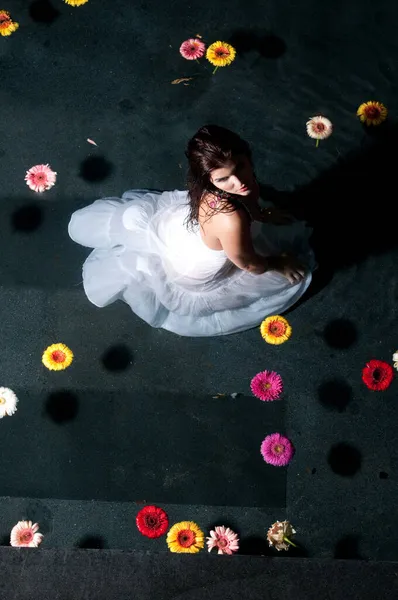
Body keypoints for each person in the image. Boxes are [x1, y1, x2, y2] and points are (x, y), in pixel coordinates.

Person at [68, 125, 316, 336]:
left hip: (193, 235)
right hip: (196, 268)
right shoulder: (231, 220)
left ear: (246, 154)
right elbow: (250, 265)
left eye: (240, 166)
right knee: (295, 274)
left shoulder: (214, 190)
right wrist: (279, 264)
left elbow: (246, 196)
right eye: (223, 179)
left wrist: (261, 214)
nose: (238, 182)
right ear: (210, 180)